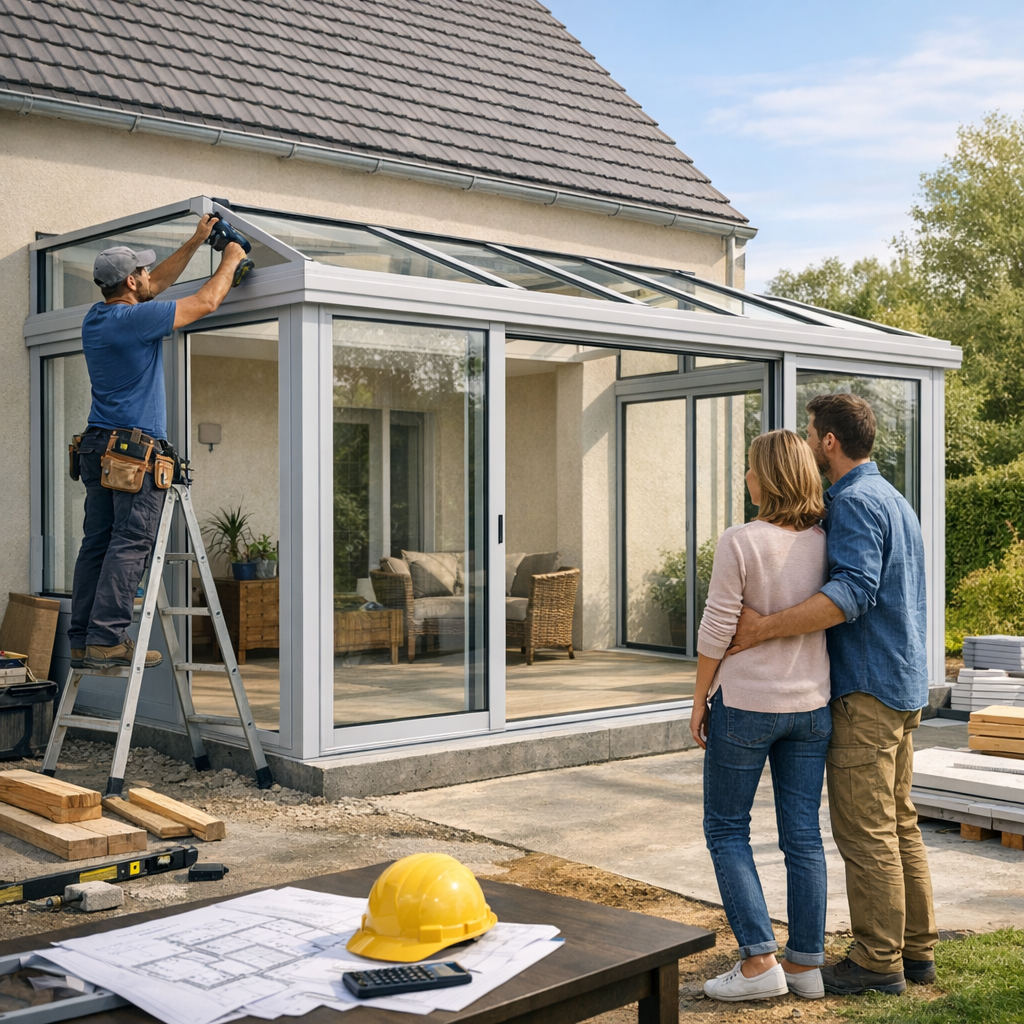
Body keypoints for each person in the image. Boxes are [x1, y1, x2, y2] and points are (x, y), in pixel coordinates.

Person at [728, 393, 937, 995]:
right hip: (902, 684)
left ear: (827, 442)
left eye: (812, 431)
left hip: (866, 690)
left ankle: (877, 963)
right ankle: (914, 951)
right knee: (899, 825)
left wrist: (762, 628)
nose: (809, 440)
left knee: (865, 831)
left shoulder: (850, 504)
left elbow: (852, 593)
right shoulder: (894, 498)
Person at [69, 216, 249, 671]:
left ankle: (84, 640)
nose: (152, 277)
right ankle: (109, 641)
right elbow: (207, 301)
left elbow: (155, 286)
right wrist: (230, 258)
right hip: (132, 453)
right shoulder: (135, 321)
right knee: (130, 543)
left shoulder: (98, 317)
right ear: (130, 281)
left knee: (98, 543)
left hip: (96, 446)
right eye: (143, 272)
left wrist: (195, 241)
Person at [692, 429, 832, 1003]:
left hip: (747, 706)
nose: (744, 478)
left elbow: (717, 627)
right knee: (802, 836)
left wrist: (698, 699)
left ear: (768, 478)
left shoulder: (740, 540)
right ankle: (805, 967)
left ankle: (758, 963)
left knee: (726, 828)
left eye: (750, 469)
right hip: (811, 708)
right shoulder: (826, 542)